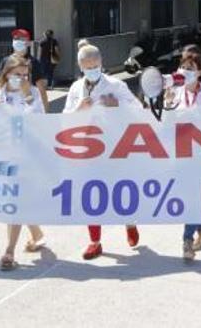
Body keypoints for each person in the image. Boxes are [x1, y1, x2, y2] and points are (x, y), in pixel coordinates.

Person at [64, 40, 142, 260]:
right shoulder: (75, 88)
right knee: (92, 196)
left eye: (95, 64)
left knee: (121, 191)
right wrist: (79, 110)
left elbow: (137, 109)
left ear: (101, 62)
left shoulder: (115, 86)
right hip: (88, 150)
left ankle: (130, 222)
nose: (92, 69)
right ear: (81, 67)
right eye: (87, 66)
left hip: (115, 148)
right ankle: (95, 241)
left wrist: (117, 106)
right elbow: (64, 121)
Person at [0, 56, 47, 271]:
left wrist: (29, 95)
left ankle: (9, 250)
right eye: (17, 74)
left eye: (25, 75)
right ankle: (37, 233)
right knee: (13, 200)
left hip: (26, 155)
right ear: (6, 74)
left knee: (15, 200)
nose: (21, 78)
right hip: (3, 154)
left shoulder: (33, 93)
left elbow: (38, 119)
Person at [168, 52, 201, 262]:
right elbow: (164, 122)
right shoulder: (175, 93)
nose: (186, 71)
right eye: (183, 67)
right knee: (192, 197)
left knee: (196, 196)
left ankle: (187, 240)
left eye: (191, 68)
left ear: (200, 71)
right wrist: (168, 105)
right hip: (182, 154)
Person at [0, 29, 49, 111]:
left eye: (21, 39)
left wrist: (46, 111)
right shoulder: (6, 61)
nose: (17, 41)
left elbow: (41, 88)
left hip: (27, 104)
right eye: (15, 39)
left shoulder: (33, 62)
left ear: (28, 43)